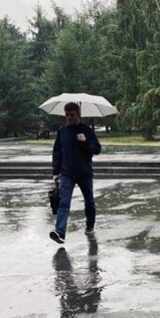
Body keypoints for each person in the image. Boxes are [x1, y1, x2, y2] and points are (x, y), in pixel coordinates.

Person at [49, 102, 101, 244]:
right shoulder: (62, 131)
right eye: (67, 115)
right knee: (64, 202)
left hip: (85, 172)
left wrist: (85, 141)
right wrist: (55, 171)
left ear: (78, 114)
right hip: (67, 173)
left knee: (89, 201)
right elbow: (57, 151)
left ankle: (90, 225)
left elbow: (97, 149)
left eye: (72, 114)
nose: (69, 118)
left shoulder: (86, 130)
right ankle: (60, 232)